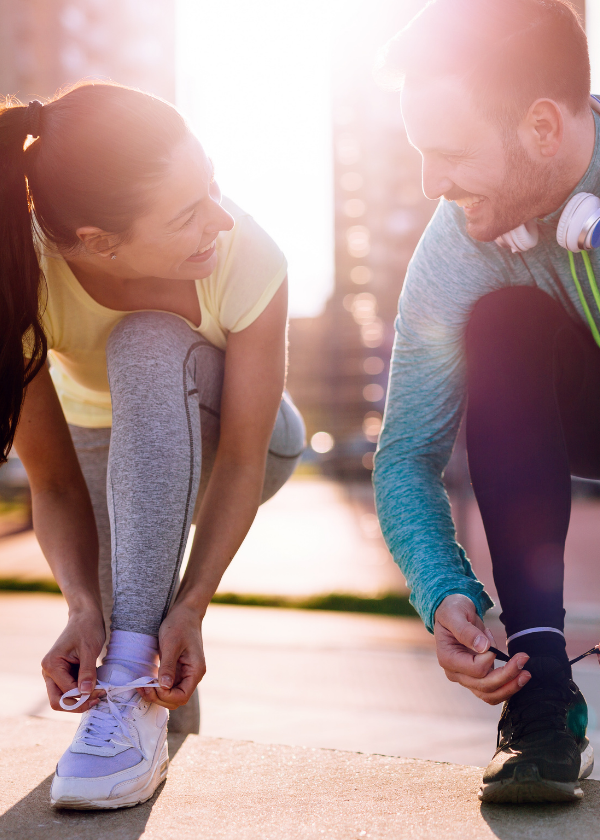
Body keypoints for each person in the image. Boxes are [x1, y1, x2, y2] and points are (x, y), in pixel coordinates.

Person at [3, 82, 305, 809]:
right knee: (133, 638)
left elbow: (238, 458)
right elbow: (53, 481)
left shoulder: (247, 256)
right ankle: (143, 758)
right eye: (187, 214)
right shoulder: (19, 279)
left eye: (212, 186)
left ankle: (142, 665)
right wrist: (81, 607)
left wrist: (196, 602)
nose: (220, 220)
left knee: (147, 342)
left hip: (241, 442)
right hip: (101, 453)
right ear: (100, 244)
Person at [373, 0, 600, 804]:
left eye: (449, 154)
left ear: (543, 127)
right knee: (503, 321)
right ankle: (541, 703)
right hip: (582, 414)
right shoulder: (457, 242)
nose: (433, 184)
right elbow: (405, 452)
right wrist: (442, 588)